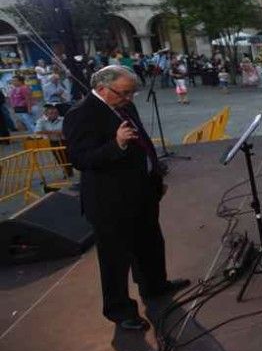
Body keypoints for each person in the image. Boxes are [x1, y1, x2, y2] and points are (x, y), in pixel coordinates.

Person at [63, 65, 190, 330]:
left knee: (150, 242)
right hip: (109, 200)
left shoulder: (124, 107)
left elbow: (142, 142)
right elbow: (79, 159)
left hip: (141, 191)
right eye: (124, 93)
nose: (129, 98)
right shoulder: (81, 114)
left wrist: (154, 176)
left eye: (132, 93)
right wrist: (116, 144)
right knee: (115, 257)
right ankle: (120, 310)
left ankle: (155, 285)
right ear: (102, 88)